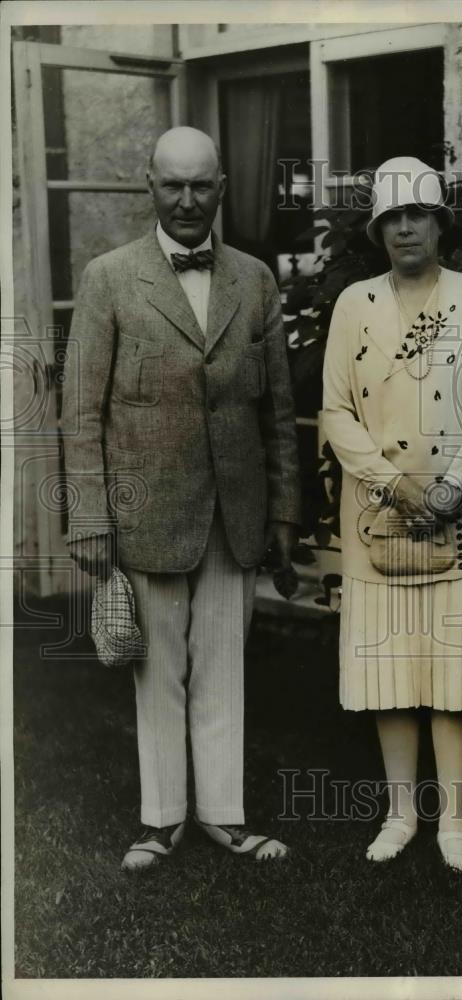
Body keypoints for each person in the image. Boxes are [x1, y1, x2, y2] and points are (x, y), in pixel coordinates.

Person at [62, 126, 300, 870]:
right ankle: (161, 820)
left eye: (201, 185)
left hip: (236, 511)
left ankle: (223, 815)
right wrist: (90, 516)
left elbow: (279, 410)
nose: (188, 200)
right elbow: (80, 411)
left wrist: (284, 510)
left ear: (222, 187)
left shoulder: (254, 280)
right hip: (146, 512)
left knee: (223, 665)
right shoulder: (109, 277)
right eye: (173, 184)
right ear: (150, 186)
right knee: (157, 670)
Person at [322, 156, 462, 871]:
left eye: (418, 215)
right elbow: (335, 410)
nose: (405, 228)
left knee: (452, 672)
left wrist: (452, 484)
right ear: (378, 231)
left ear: (439, 224)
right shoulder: (354, 303)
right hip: (380, 516)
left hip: (459, 512)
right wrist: (391, 484)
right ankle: (400, 813)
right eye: (392, 218)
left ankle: (454, 821)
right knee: (391, 670)